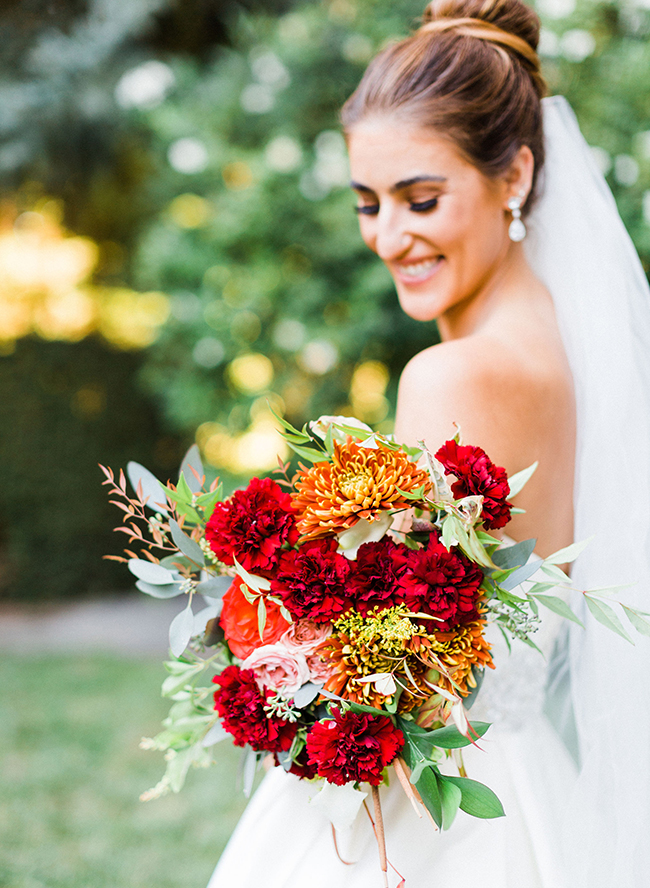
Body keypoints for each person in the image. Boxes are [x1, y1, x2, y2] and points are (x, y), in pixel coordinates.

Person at [208, 1, 650, 885]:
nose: (388, 236)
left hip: (432, 806)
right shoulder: (557, 341)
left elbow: (403, 655)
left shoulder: (455, 373)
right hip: (518, 780)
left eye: (421, 198)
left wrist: (281, 646)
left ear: (513, 174)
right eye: (368, 202)